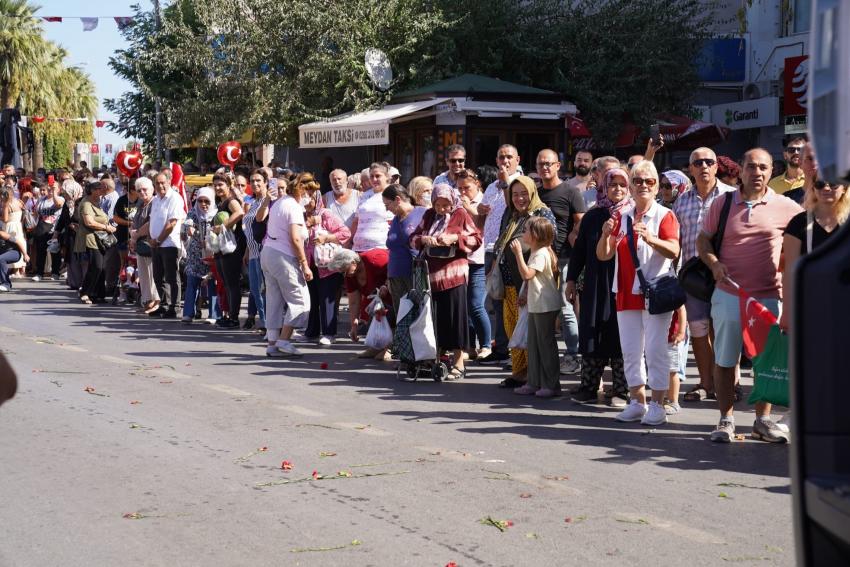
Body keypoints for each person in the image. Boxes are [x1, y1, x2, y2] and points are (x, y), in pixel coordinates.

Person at [697, 148, 803, 443]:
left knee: (764, 362)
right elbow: (703, 239)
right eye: (751, 167)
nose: (757, 173)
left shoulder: (786, 206)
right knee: (726, 358)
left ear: (772, 171)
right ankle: (726, 420)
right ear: (740, 170)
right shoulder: (723, 202)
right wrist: (714, 262)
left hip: (769, 296)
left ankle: (761, 421)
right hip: (729, 292)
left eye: (763, 168)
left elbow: (810, 234)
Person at [596, 160, 681, 425]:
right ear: (631, 186)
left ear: (656, 187)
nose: (643, 185)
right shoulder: (622, 215)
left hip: (655, 291)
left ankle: (658, 403)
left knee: (656, 349)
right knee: (631, 351)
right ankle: (637, 401)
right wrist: (605, 235)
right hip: (624, 291)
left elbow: (674, 250)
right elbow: (604, 255)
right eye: (638, 181)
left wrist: (651, 238)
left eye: (649, 181)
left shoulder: (665, 215)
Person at [673, 148, 736, 403]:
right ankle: (706, 383)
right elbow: (676, 241)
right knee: (699, 330)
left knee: (726, 329)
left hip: (725, 273)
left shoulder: (732, 196)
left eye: (709, 161)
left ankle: (731, 383)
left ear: (716, 166)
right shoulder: (682, 201)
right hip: (693, 278)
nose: (704, 166)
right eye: (697, 162)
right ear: (690, 168)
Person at [566, 168, 630, 407]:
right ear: (603, 187)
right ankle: (589, 387)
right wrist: (571, 280)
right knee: (592, 331)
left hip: (622, 284)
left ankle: (622, 391)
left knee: (621, 333)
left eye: (623, 185)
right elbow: (580, 251)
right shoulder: (593, 217)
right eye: (612, 185)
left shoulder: (632, 214)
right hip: (594, 283)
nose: (617, 190)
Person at [410, 183, 481, 380]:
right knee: (437, 319)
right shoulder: (428, 215)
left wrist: (454, 238)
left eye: (445, 205)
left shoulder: (460, 214)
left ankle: (458, 362)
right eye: (438, 205)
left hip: (454, 275)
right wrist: (424, 239)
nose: (442, 209)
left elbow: (476, 239)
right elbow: (413, 237)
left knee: (455, 319)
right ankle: (438, 359)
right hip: (431, 276)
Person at [493, 175, 557, 387]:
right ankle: (519, 372)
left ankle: (533, 375)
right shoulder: (512, 215)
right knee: (514, 330)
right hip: (510, 281)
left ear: (532, 193)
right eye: (515, 194)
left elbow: (548, 245)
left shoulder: (542, 213)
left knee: (530, 333)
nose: (519, 199)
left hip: (530, 284)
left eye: (523, 194)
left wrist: (527, 284)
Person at [535, 148, 586, 375]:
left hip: (564, 258)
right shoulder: (536, 193)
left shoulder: (570, 192)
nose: (545, 167)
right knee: (542, 309)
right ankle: (542, 356)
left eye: (549, 163)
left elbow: (580, 224)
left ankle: (572, 355)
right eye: (541, 164)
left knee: (565, 308)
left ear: (558, 166)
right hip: (539, 259)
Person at [780, 178, 848, 331]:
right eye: (820, 184)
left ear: (844, 188)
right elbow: (790, 271)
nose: (826, 187)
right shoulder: (798, 223)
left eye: (833, 183)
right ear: (813, 189)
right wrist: (787, 311)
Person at [477, 145, 523, 367]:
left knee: (512, 301)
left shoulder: (519, 183)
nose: (505, 160)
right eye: (501, 157)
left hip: (509, 249)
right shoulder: (492, 185)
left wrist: (506, 182)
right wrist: (479, 210)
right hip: (490, 248)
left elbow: (513, 207)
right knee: (496, 300)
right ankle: (502, 347)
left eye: (509, 157)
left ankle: (515, 350)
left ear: (517, 160)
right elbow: (483, 213)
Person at [509, 217, 562, 397]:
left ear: (536, 235)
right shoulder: (536, 251)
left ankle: (551, 384)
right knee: (534, 345)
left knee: (545, 345)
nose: (523, 233)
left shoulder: (540, 253)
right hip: (536, 303)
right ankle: (534, 382)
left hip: (544, 305)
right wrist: (524, 295)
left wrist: (517, 254)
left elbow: (527, 274)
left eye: (526, 230)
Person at [261, 175, 312, 357]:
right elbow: (295, 237)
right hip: (283, 256)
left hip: (269, 253)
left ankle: (273, 344)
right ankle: (284, 340)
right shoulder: (294, 206)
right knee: (301, 301)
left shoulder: (281, 203)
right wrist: (305, 264)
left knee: (274, 300)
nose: (311, 196)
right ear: (302, 190)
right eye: (310, 191)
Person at [303, 183, 351, 345]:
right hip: (310, 264)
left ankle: (329, 333)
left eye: (309, 197)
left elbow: (345, 232)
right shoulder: (301, 215)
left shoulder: (325, 214)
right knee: (312, 298)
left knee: (327, 299)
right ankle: (311, 332)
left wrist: (326, 238)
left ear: (316, 198)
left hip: (328, 265)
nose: (306, 200)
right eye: (304, 196)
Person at [457, 169, 491, 360]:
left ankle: (486, 345)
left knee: (476, 305)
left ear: (477, 184)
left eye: (466, 188)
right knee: (465, 306)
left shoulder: (484, 201)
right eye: (459, 188)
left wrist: (469, 208)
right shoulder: (459, 201)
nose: (462, 192)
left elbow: (481, 229)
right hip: (462, 259)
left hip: (479, 260)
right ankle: (469, 345)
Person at [383, 184, 426, 320]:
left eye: (387, 204)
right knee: (401, 315)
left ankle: (418, 342)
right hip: (395, 274)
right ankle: (403, 341)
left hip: (415, 273)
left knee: (418, 313)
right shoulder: (396, 220)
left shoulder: (422, 213)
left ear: (397, 199)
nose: (386, 208)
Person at [148, 173, 186, 318]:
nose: (160, 186)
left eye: (163, 182)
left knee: (171, 276)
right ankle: (163, 304)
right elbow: (152, 221)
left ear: (169, 182)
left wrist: (158, 240)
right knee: (158, 276)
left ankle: (174, 306)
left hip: (169, 243)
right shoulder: (156, 199)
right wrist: (149, 238)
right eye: (157, 183)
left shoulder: (175, 198)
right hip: (156, 244)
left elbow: (172, 222)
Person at [211, 173, 246, 327]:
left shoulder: (231, 200)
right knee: (226, 283)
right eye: (216, 185)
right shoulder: (221, 202)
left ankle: (234, 318)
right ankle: (229, 315)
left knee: (232, 284)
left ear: (228, 185)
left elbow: (239, 212)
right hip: (222, 248)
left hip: (232, 248)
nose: (218, 187)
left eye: (221, 184)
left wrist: (223, 226)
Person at [181, 187, 220, 324]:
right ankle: (188, 314)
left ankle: (214, 315)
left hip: (212, 254)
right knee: (192, 283)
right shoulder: (193, 212)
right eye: (200, 201)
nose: (203, 204)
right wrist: (189, 228)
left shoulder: (217, 214)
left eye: (207, 201)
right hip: (195, 255)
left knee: (212, 284)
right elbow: (187, 224)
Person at [76, 181, 117, 304]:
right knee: (96, 266)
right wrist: (106, 227)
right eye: (99, 189)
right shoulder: (86, 203)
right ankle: (85, 292)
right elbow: (89, 222)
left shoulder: (98, 202)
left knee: (102, 267)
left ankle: (98, 294)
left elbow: (101, 218)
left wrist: (109, 225)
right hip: (91, 238)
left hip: (101, 239)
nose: (102, 191)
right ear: (92, 190)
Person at [242, 169, 270, 331]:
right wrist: (247, 250)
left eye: (258, 180)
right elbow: (249, 229)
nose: (255, 183)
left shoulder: (268, 201)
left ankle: (267, 324)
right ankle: (264, 321)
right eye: (252, 181)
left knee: (262, 290)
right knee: (254, 289)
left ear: (266, 182)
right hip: (252, 251)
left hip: (263, 250)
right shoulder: (253, 202)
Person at [129, 177, 160, 314]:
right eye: (139, 190)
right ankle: (147, 300)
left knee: (153, 273)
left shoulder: (155, 203)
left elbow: (151, 223)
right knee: (143, 273)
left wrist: (136, 235)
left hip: (151, 243)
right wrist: (133, 238)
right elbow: (134, 222)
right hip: (141, 244)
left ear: (152, 189)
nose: (142, 192)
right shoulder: (140, 204)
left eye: (145, 189)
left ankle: (156, 301)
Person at [52, 179, 83, 290]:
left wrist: (77, 225)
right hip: (69, 235)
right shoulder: (67, 203)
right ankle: (73, 282)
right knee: (70, 259)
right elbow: (62, 220)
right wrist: (56, 234)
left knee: (80, 259)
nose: (64, 194)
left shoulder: (82, 202)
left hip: (81, 235)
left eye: (65, 192)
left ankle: (82, 283)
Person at [112, 179, 141, 298]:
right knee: (124, 263)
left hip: (138, 238)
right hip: (124, 236)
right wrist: (128, 223)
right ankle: (123, 292)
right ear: (132, 190)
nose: (140, 192)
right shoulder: (122, 200)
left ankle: (137, 291)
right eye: (138, 189)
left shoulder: (141, 201)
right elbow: (115, 218)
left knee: (139, 265)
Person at [31, 179, 64, 281]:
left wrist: (54, 193)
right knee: (41, 252)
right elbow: (36, 212)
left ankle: (55, 273)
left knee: (55, 252)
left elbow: (58, 205)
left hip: (55, 229)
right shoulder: (42, 200)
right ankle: (39, 273)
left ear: (58, 190)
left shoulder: (60, 198)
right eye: (46, 189)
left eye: (52, 189)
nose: (48, 191)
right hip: (42, 228)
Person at [0, 226, 28, 292]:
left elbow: (18, 242)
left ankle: (6, 284)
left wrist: (25, 254)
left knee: (1, 259)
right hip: (4, 254)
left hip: (14, 252)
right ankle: (4, 283)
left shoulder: (2, 234)